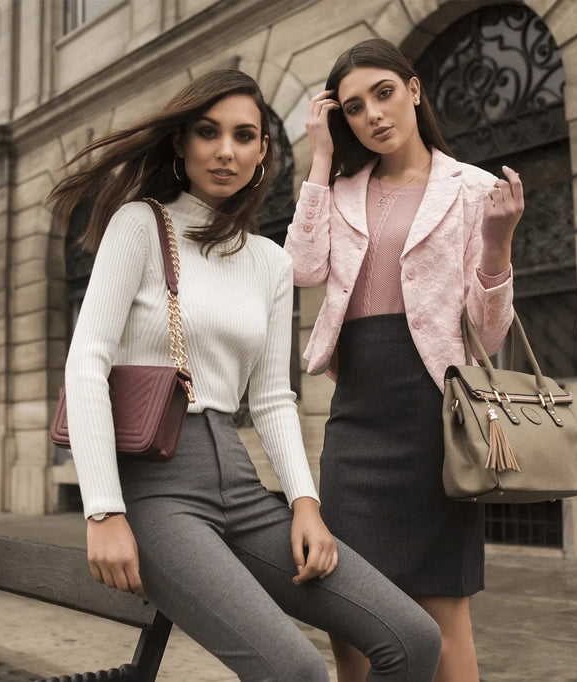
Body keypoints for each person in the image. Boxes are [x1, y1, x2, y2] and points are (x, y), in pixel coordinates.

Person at [47, 69, 442, 681]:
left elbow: (274, 399)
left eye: (243, 136)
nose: (225, 150)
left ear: (263, 153)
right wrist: (102, 510)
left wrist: (305, 504)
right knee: (298, 673)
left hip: (241, 482)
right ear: (181, 144)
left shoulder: (269, 261)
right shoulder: (140, 226)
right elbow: (87, 359)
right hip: (156, 492)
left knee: (412, 638)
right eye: (208, 133)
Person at [284, 40, 524, 682]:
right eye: (355, 107)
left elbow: (487, 332)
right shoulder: (337, 191)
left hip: (437, 413)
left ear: (414, 90)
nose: (374, 115)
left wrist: (498, 244)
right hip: (357, 413)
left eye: (384, 94)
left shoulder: (473, 189)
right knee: (344, 606)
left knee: (443, 607)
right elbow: (302, 269)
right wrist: (321, 158)